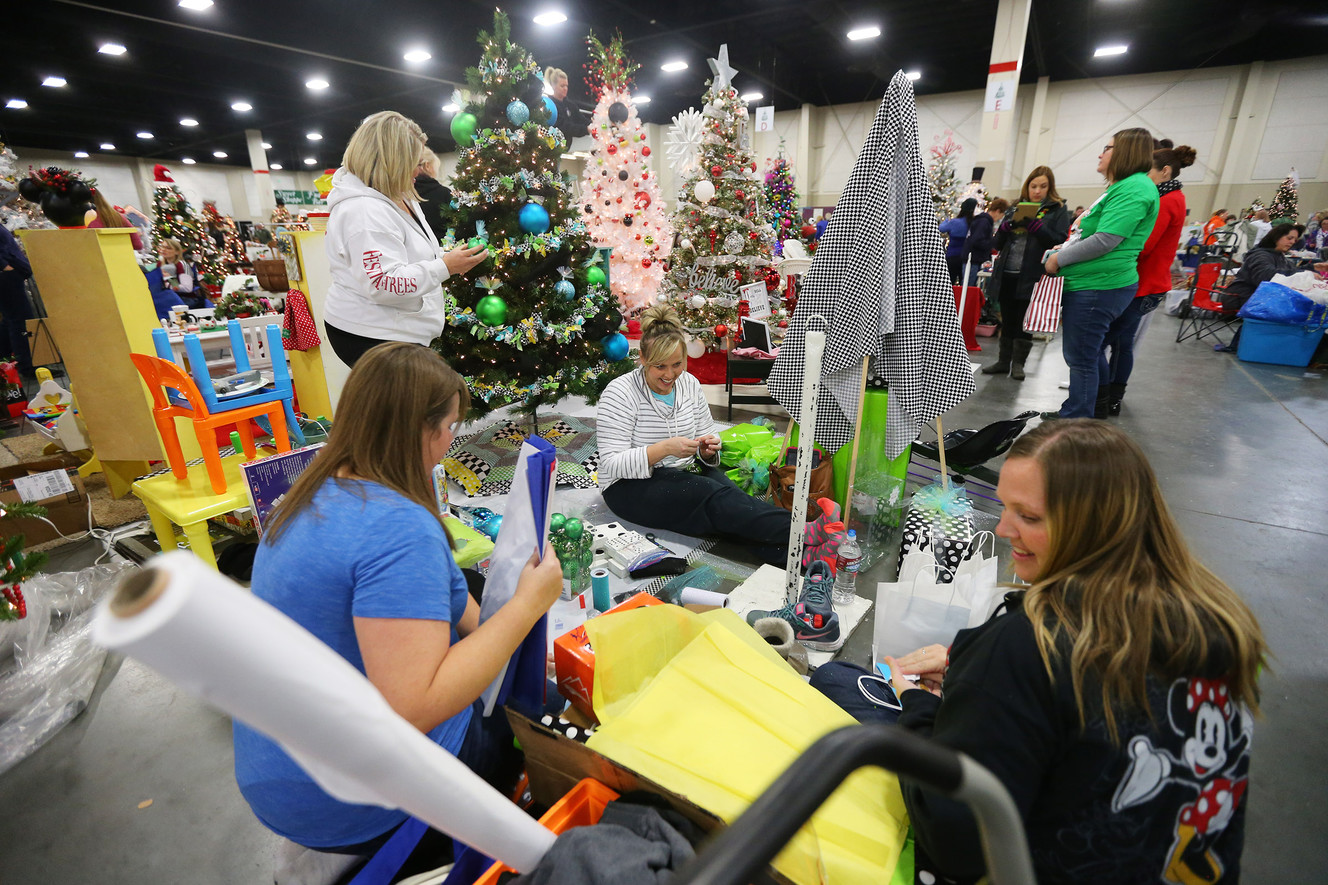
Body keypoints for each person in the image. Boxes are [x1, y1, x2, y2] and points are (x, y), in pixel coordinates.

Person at [811, 419, 1266, 885]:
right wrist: (968, 671)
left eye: (1028, 517)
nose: (1005, 529)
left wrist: (922, 707)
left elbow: (956, 842)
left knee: (838, 682)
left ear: (1095, 526)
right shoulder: (1215, 620)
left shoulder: (1028, 644)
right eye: (1007, 508)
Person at [233, 343, 564, 878]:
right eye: (452, 427)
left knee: (487, 626)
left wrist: (499, 628)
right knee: (537, 715)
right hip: (349, 803)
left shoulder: (310, 491)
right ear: (423, 430)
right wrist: (526, 608)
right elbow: (415, 708)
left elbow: (446, 598)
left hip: (277, 775)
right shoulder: (398, 528)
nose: (450, 443)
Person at [597, 305, 843, 569]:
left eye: (677, 364)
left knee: (734, 505)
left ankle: (803, 558)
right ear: (642, 358)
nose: (669, 375)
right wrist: (664, 448)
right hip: (628, 487)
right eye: (660, 367)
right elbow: (611, 464)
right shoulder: (620, 392)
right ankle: (803, 530)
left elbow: (707, 432)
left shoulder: (689, 383)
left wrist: (707, 449)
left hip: (684, 470)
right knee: (716, 500)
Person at [322, 111, 487, 368]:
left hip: (400, 330)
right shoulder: (363, 211)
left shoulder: (399, 196)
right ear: (392, 160)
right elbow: (383, 283)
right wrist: (445, 267)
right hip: (374, 335)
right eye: (414, 161)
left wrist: (446, 257)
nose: (418, 170)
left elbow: (410, 252)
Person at [1043, 128, 1159, 419]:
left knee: (1080, 356)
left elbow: (1107, 239)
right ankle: (1088, 410)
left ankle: (1076, 419)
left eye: (1107, 148)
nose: (1100, 153)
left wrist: (1058, 259)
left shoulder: (1134, 188)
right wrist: (1068, 247)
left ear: (1124, 153)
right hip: (1097, 284)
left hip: (1098, 286)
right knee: (1089, 352)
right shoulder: (1124, 187)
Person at [1098, 144, 1197, 416]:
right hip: (1149, 283)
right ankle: (1112, 397)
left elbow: (1145, 244)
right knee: (1120, 343)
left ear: (1164, 171)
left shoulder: (1165, 200)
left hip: (1144, 284)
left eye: (1148, 171)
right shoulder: (1173, 197)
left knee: (1104, 343)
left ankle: (1103, 398)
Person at [982, 170, 1070, 380]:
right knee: (1008, 319)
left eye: (1042, 186)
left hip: (1033, 276)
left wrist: (1038, 229)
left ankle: (1019, 365)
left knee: (1025, 321)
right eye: (1033, 186)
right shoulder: (1014, 208)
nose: (1037, 191)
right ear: (1027, 187)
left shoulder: (1057, 210)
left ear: (1050, 188)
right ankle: (1004, 362)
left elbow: (1059, 241)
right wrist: (1003, 229)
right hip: (1007, 274)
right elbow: (997, 245)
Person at [1218, 223, 1328, 313]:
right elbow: (1267, 276)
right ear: (1276, 237)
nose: (1292, 242)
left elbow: (1289, 270)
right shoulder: (1260, 255)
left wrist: (1312, 267)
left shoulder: (1278, 255)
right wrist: (1304, 273)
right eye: (1289, 238)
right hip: (1241, 298)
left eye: (1294, 240)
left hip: (1256, 297)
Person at [0, 224, 35, 378]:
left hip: (7, 273)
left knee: (11, 320)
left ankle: (5, 362)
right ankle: (27, 366)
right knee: (20, 320)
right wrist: (5, 266)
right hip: (5, 275)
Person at [962, 197, 1007, 285]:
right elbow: (976, 241)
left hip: (973, 259)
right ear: (998, 211)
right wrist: (992, 243)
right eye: (1002, 214)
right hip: (974, 260)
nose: (1001, 218)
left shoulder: (982, 220)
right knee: (969, 287)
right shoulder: (984, 222)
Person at [157, 238, 211, 310]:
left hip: (186, 300)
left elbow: (187, 288)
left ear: (176, 252)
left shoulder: (182, 265)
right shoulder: (160, 265)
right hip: (168, 298)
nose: (163, 250)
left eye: (168, 248)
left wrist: (168, 286)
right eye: (162, 247)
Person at [413, 150, 452, 245]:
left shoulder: (404, 195)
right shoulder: (444, 193)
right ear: (427, 165)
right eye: (436, 168)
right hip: (444, 251)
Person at [544, 66, 588, 141]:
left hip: (567, 148)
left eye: (566, 86)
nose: (565, 88)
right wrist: (586, 129)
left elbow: (581, 119)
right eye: (562, 86)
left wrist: (593, 124)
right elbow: (564, 127)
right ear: (553, 86)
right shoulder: (549, 106)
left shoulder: (570, 105)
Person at [939, 198, 976, 284]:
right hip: (965, 258)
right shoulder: (973, 223)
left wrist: (946, 221)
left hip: (952, 256)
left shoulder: (954, 222)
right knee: (964, 284)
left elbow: (941, 228)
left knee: (949, 283)